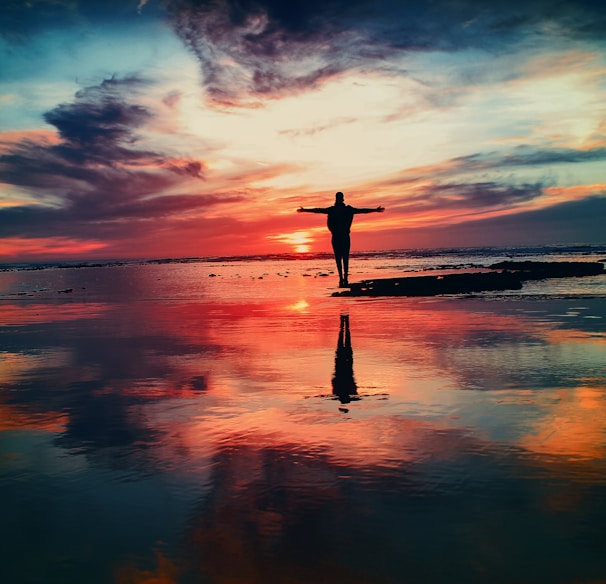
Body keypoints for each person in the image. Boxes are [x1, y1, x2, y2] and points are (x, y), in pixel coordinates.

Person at [297, 192, 384, 287]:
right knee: (344, 257)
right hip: (344, 236)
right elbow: (362, 210)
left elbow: (318, 210)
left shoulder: (334, 210)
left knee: (339, 258)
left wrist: (305, 210)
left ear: (337, 199)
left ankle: (342, 278)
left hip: (337, 236)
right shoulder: (346, 209)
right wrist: (375, 210)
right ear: (342, 199)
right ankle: (344, 277)